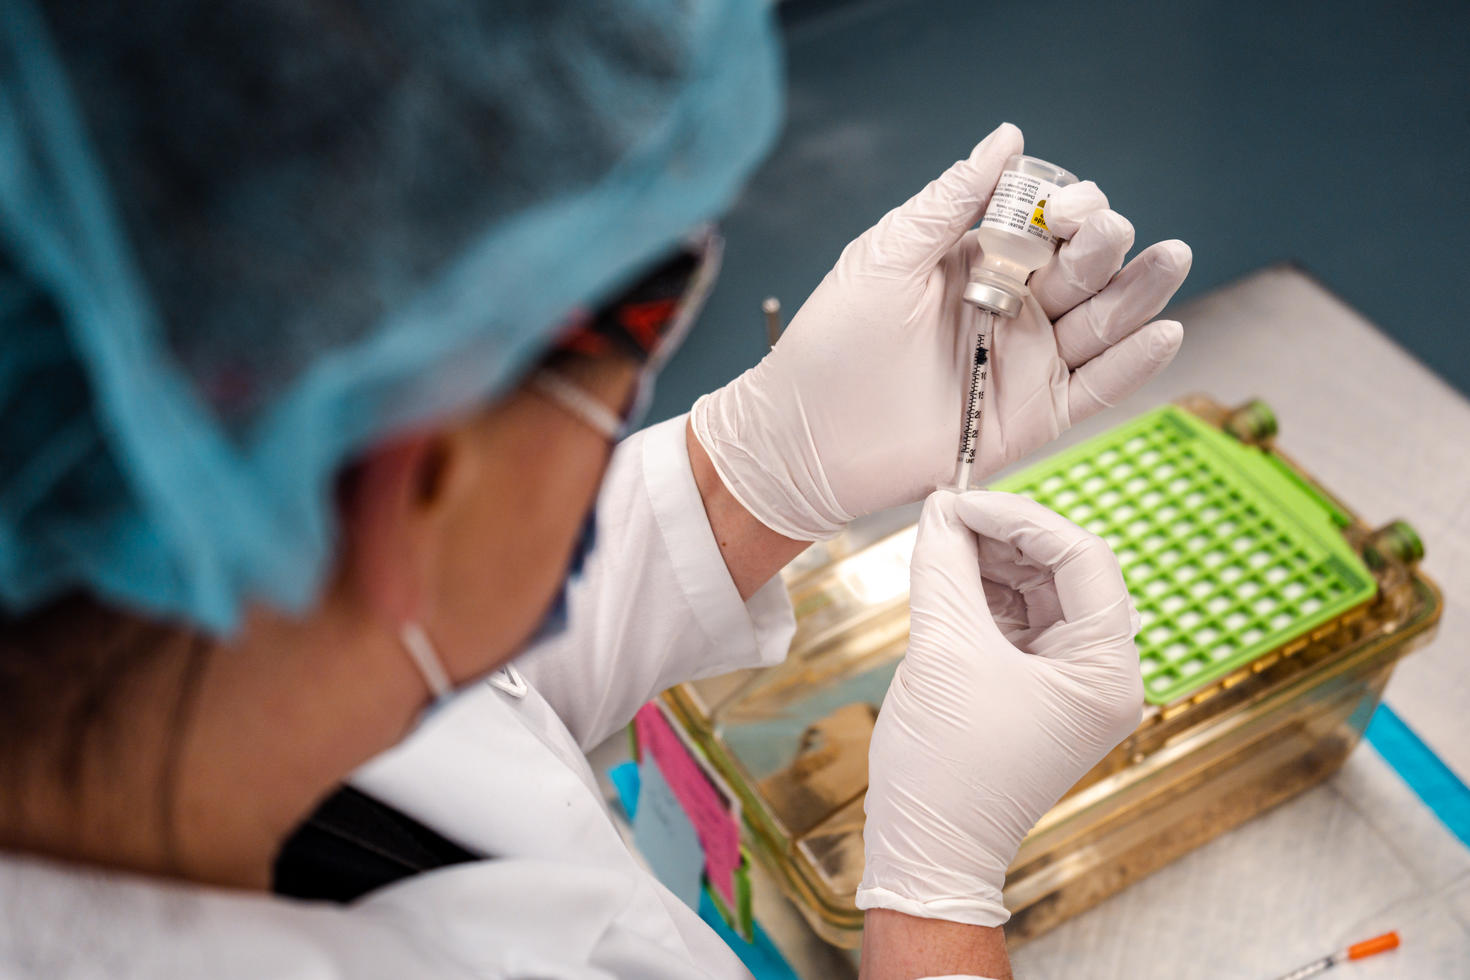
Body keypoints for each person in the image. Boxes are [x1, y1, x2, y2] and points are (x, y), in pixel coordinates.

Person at [0, 2, 1190, 977]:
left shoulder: (140, 634)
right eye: (651, 306)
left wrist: (757, 466)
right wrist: (936, 899)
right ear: (420, 478)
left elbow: (452, 691)